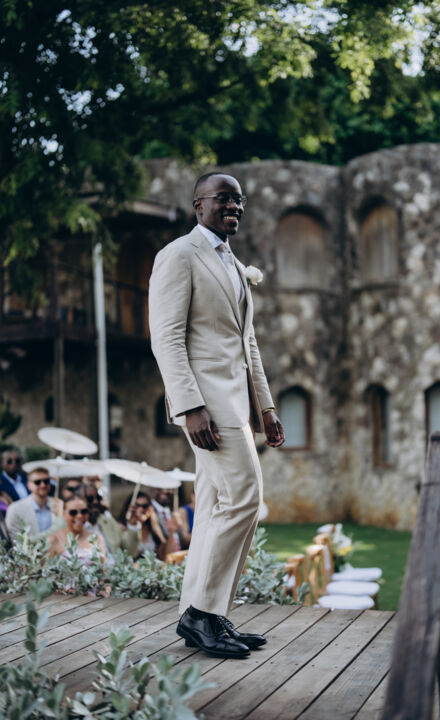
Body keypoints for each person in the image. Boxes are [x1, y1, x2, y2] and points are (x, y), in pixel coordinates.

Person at [148, 171, 285, 659]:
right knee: (246, 497)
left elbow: (248, 344)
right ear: (198, 204)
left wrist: (265, 406)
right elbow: (166, 337)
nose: (234, 206)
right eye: (224, 198)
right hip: (206, 407)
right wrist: (189, 407)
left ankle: (204, 614)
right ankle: (202, 614)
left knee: (211, 509)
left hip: (236, 405)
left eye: (239, 200)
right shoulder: (179, 255)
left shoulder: (235, 265)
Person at [5, 467, 63, 542]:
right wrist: (54, 530)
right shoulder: (15, 509)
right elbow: (16, 541)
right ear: (29, 485)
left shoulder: (59, 504)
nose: (43, 485)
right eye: (37, 482)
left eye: (46, 481)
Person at [83, 482, 139, 558]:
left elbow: (129, 552)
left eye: (98, 498)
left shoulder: (109, 522)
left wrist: (132, 525)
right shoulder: (74, 526)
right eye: (90, 499)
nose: (95, 502)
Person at [119, 491, 177, 561]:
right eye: (137, 506)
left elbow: (164, 556)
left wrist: (156, 527)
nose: (141, 509)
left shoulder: (152, 528)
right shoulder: (123, 528)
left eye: (145, 506)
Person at [48, 494, 106, 561]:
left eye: (84, 511)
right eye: (73, 512)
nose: (79, 516)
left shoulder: (96, 538)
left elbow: (104, 565)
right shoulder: (54, 540)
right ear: (63, 514)